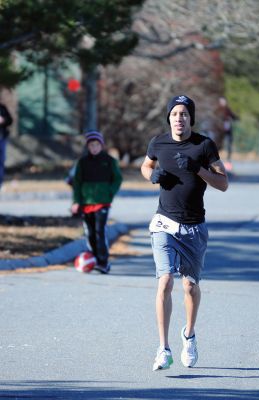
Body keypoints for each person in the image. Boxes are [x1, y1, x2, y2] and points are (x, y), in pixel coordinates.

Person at [141, 95, 228, 371]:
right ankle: (163, 348)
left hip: (193, 227)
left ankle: (189, 336)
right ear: (169, 117)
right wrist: (151, 175)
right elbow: (146, 165)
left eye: (184, 114)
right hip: (164, 224)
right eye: (175, 114)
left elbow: (223, 183)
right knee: (165, 281)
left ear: (191, 118)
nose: (179, 118)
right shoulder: (158, 143)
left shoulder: (204, 145)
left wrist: (199, 169)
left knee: (189, 286)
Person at [71, 130, 122, 274]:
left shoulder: (109, 161)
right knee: (90, 233)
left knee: (100, 232)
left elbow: (117, 179)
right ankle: (92, 259)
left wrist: (110, 192)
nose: (94, 148)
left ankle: (103, 262)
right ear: (88, 147)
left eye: (97, 145)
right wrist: (76, 202)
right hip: (86, 203)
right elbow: (77, 183)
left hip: (102, 203)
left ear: (101, 145)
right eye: (91, 145)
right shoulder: (82, 162)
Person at [218, 97, 238, 166]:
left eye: (224, 101)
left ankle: (228, 159)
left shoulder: (227, 109)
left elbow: (233, 116)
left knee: (229, 143)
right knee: (218, 144)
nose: (223, 103)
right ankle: (215, 158)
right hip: (220, 130)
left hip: (228, 129)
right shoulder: (218, 110)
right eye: (222, 101)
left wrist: (235, 118)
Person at [0, 102, 13, 188]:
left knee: (1, 161)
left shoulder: (2, 108)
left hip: (1, 139)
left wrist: (3, 120)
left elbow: (10, 120)